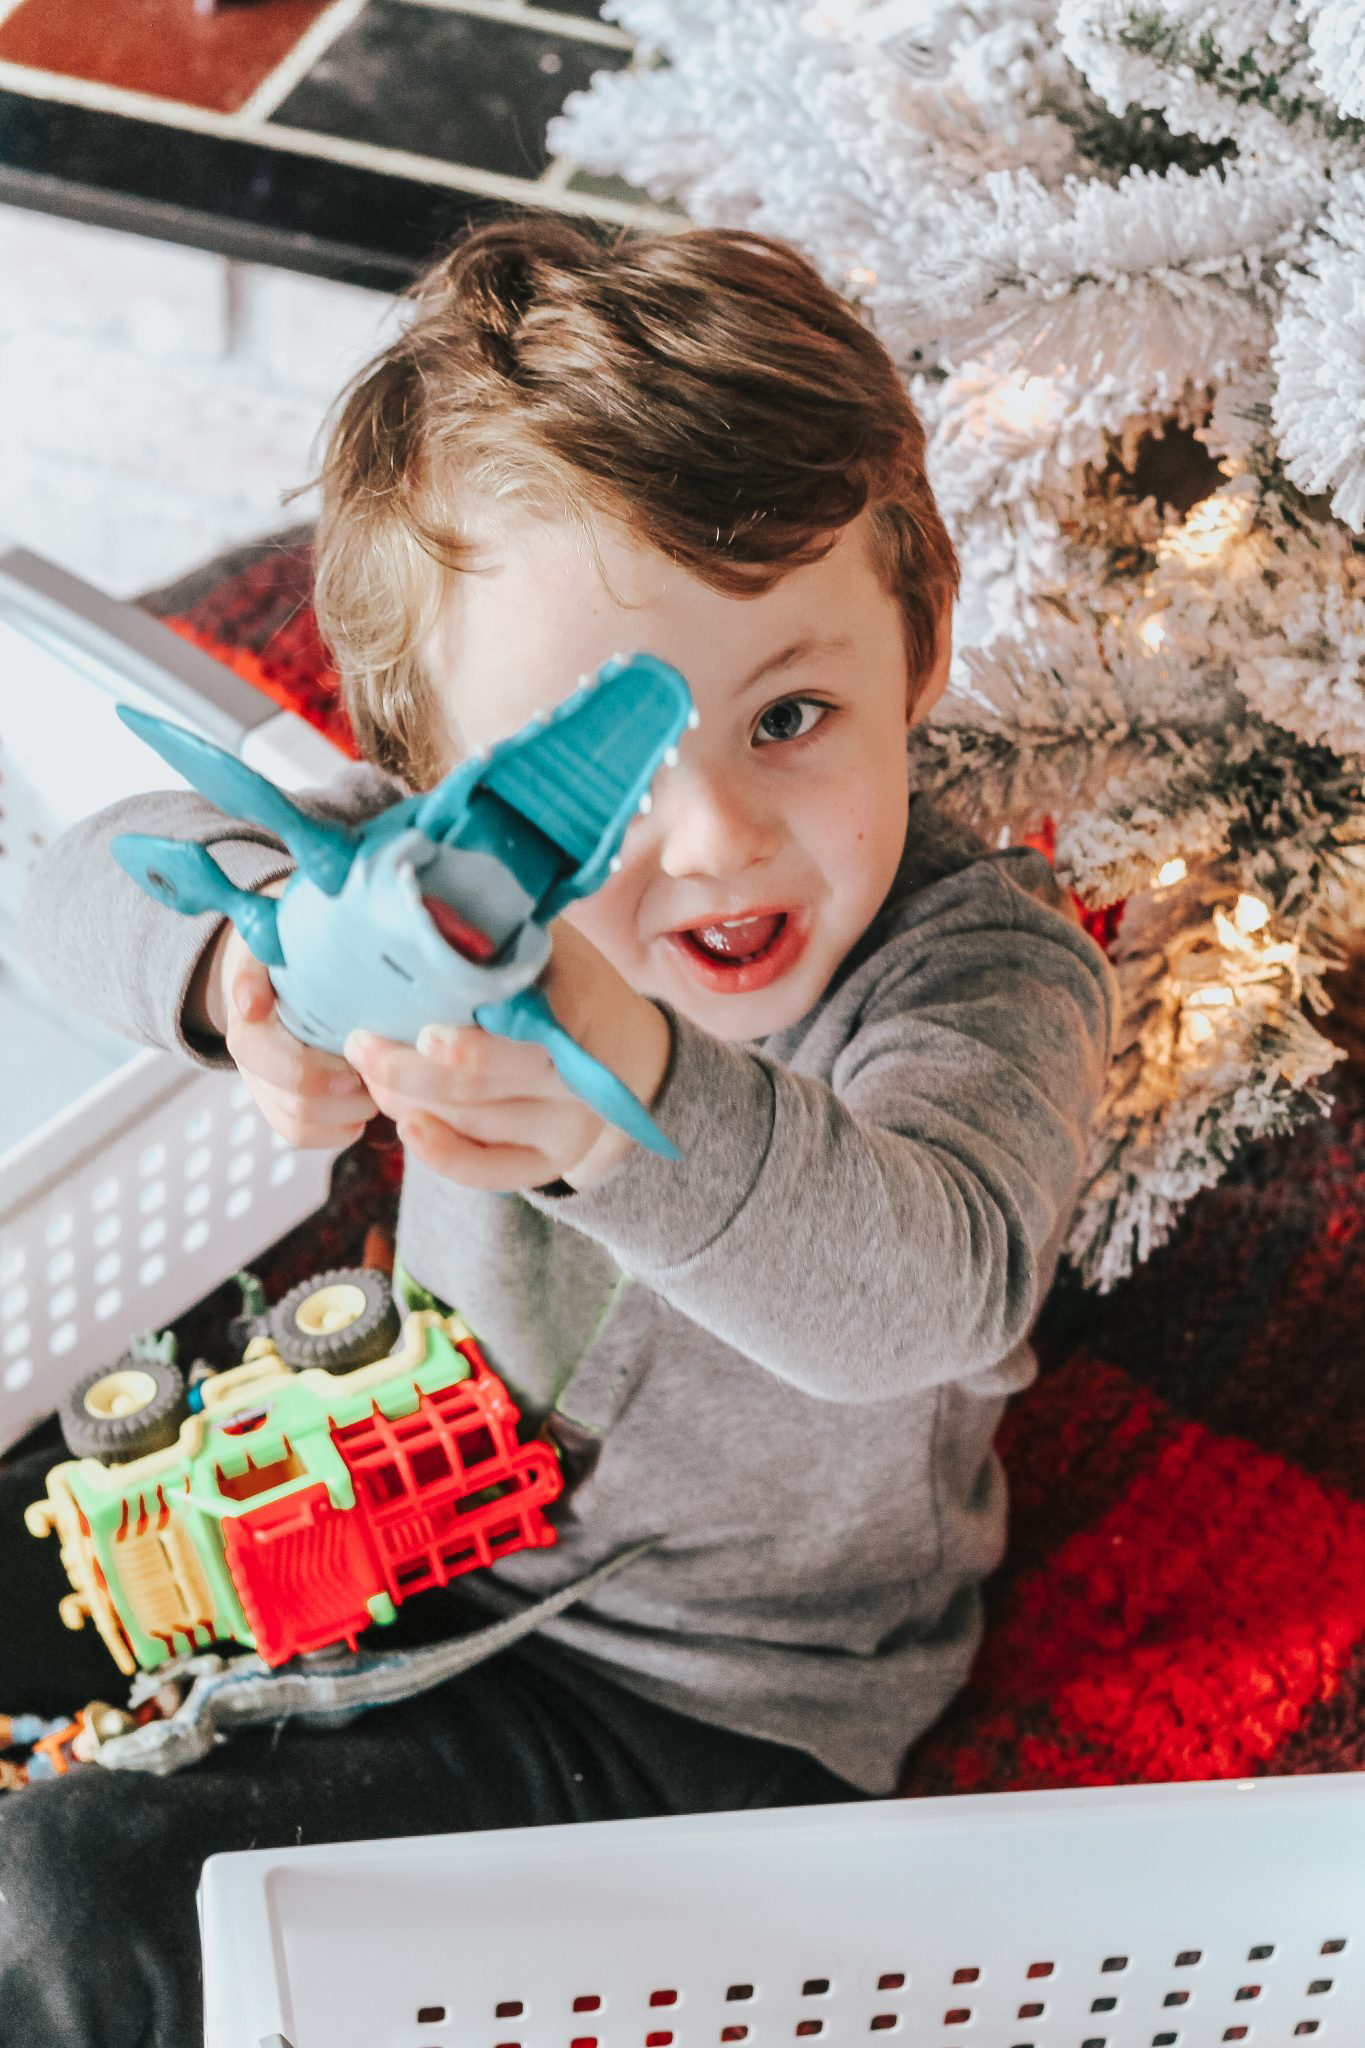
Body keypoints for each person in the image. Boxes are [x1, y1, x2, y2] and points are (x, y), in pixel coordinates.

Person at [8, 213, 1117, 2045]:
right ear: (424, 758)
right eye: (586, 776)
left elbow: (926, 1293)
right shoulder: (425, 863)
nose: (713, 842)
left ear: (920, 649)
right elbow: (72, 880)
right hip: (391, 1517)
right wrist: (235, 969)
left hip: (705, 1710)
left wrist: (635, 1103)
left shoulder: (979, 967)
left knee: (87, 1893)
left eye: (794, 714)